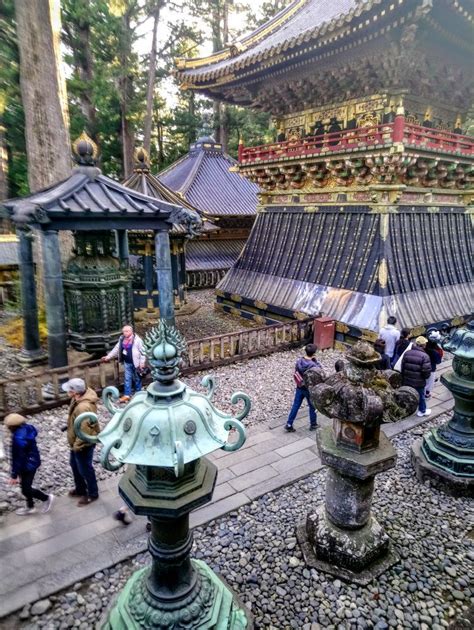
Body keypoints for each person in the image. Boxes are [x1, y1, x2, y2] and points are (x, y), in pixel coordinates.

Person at [5, 413, 54, 516]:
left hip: (27, 465)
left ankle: (46, 498)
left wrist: (14, 475)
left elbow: (18, 458)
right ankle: (30, 506)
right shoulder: (27, 428)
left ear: (12, 426)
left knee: (26, 489)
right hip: (33, 461)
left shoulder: (18, 438)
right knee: (25, 486)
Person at [62, 378, 100, 506]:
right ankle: (80, 489)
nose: (67, 391)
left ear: (75, 392)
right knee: (74, 464)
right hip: (76, 442)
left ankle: (93, 493)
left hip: (83, 443)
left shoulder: (83, 407)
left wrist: (77, 446)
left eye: (69, 389)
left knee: (85, 469)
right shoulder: (77, 399)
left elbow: (85, 430)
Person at [102, 325, 146, 403]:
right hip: (127, 362)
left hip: (136, 363)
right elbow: (116, 349)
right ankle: (127, 395)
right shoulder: (122, 339)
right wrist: (108, 357)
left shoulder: (137, 340)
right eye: (124, 331)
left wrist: (142, 362)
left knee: (137, 378)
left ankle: (139, 394)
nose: (125, 333)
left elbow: (143, 352)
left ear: (131, 331)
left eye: (127, 331)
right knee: (127, 379)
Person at [285, 344, 321, 432]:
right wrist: (316, 361)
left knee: (296, 405)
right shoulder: (313, 365)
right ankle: (313, 424)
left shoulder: (299, 361)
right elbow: (320, 372)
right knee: (312, 406)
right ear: (314, 353)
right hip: (309, 389)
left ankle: (289, 423)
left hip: (299, 386)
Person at [401, 337, 432, 417]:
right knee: (421, 396)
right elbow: (426, 371)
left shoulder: (407, 353)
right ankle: (422, 411)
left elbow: (402, 367)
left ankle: (406, 410)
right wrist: (425, 378)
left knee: (407, 394)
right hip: (419, 381)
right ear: (424, 345)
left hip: (407, 379)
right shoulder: (425, 356)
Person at [425, 330, 443, 398]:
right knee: (429, 382)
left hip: (423, 366)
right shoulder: (435, 352)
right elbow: (438, 361)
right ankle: (426, 393)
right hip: (431, 368)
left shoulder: (425, 347)